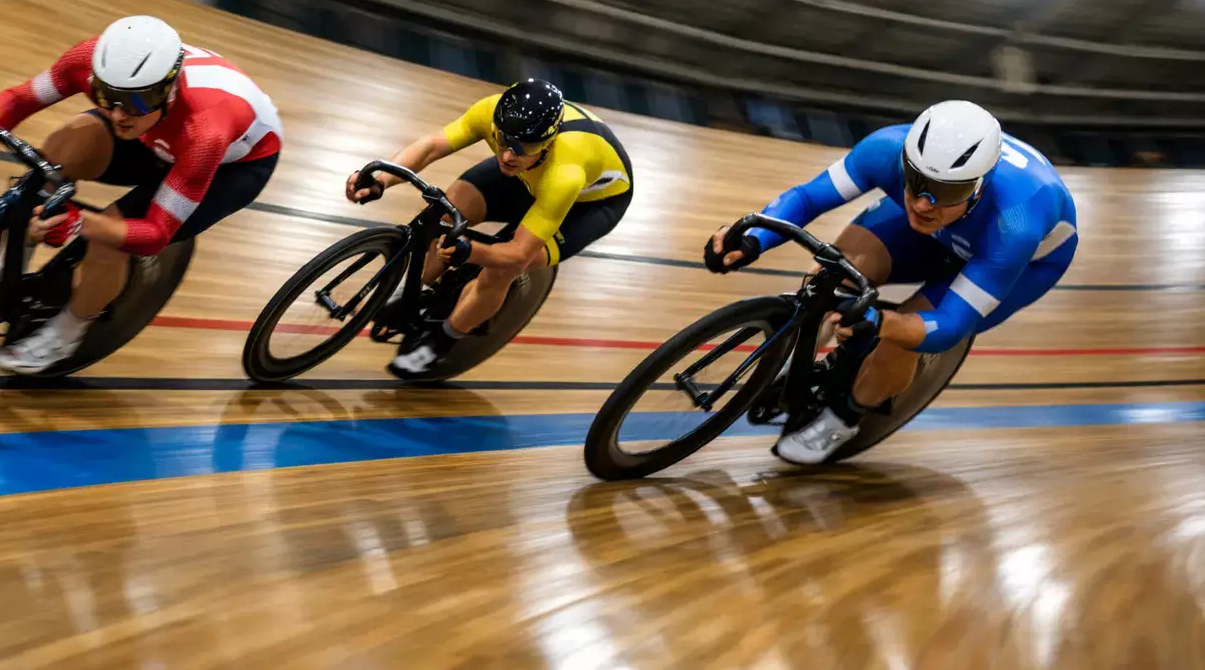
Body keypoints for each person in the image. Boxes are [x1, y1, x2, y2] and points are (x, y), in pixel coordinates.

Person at [706, 100, 1077, 465]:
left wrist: (882, 323)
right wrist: (753, 239)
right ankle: (801, 357)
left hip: (1019, 259)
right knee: (829, 277)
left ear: (979, 187)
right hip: (949, 231)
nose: (923, 204)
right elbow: (806, 198)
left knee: (901, 340)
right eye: (916, 182)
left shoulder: (1016, 222)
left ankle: (844, 418)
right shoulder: (885, 149)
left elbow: (948, 326)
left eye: (945, 192)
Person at [0, 15, 282, 374]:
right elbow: (20, 98)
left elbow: (155, 234)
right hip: (157, 133)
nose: (119, 114)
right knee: (63, 146)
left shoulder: (206, 130)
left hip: (230, 166)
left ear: (169, 88)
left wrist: (80, 224)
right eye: (108, 98)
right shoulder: (88, 63)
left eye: (137, 101)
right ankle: (7, 261)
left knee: (112, 237)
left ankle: (70, 330)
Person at [347, 79, 633, 379]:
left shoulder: (566, 173)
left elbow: (518, 255)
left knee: (501, 269)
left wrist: (471, 250)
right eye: (504, 140)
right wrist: (380, 179)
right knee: (446, 210)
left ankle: (441, 340)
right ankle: (415, 292)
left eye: (526, 146)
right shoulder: (492, 113)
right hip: (531, 176)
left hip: (590, 206)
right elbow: (431, 147)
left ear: (548, 141)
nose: (509, 154)